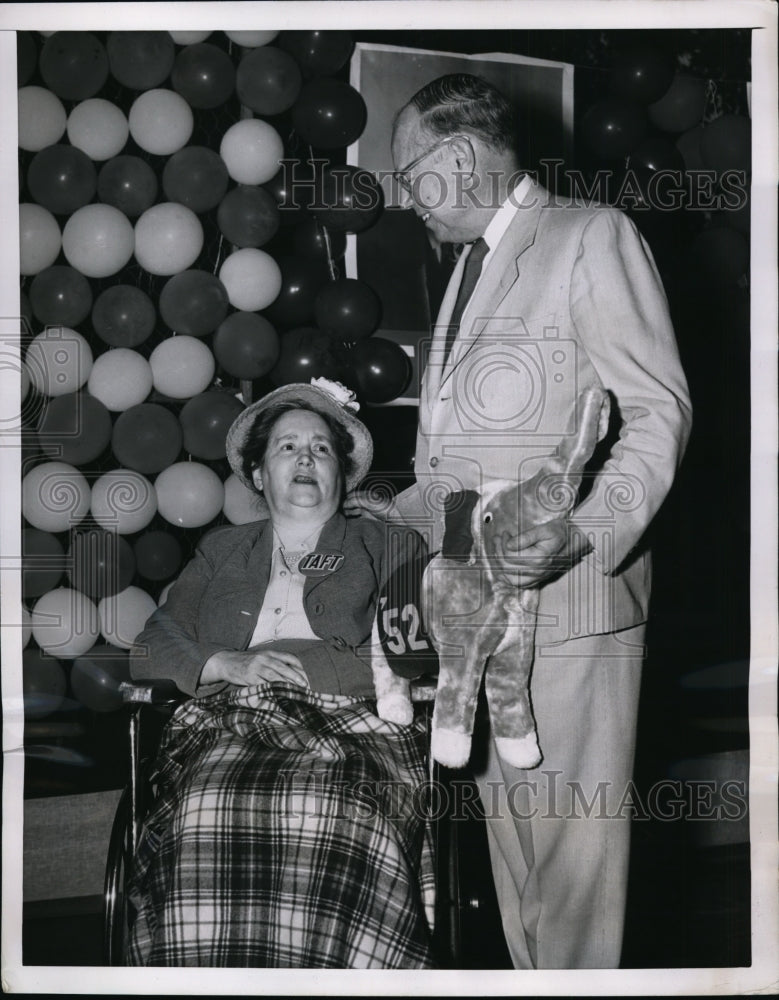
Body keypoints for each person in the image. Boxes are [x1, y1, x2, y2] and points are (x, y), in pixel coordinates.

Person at [382, 73, 693, 969]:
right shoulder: (468, 269)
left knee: (573, 885)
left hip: (572, 609)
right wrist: (381, 509)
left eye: (410, 177)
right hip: (476, 625)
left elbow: (657, 409)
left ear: (462, 155)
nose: (407, 201)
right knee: (517, 879)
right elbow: (455, 466)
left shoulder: (590, 235)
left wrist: (589, 531)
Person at [125, 378, 435, 968]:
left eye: (321, 448)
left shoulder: (389, 543)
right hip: (229, 720)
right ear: (259, 474)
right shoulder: (220, 551)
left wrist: (316, 666)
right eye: (287, 447)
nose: (305, 458)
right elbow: (152, 644)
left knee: (339, 806)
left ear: (341, 474)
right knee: (206, 805)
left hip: (353, 721)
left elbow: (416, 651)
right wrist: (226, 663)